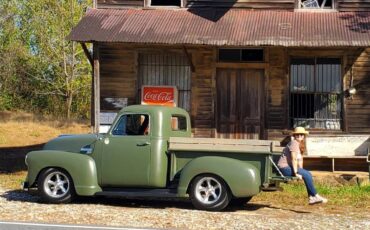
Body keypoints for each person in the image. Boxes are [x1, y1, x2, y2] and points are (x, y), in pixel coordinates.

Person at [277, 127, 328, 205]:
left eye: (301, 134)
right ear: (294, 135)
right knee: (307, 174)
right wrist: (296, 172)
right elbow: (294, 159)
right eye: (297, 134)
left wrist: (302, 170)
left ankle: (311, 198)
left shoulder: (300, 144)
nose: (299, 136)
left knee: (307, 174)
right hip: (284, 167)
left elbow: (300, 159)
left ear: (304, 136)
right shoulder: (294, 143)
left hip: (289, 167)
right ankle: (315, 195)